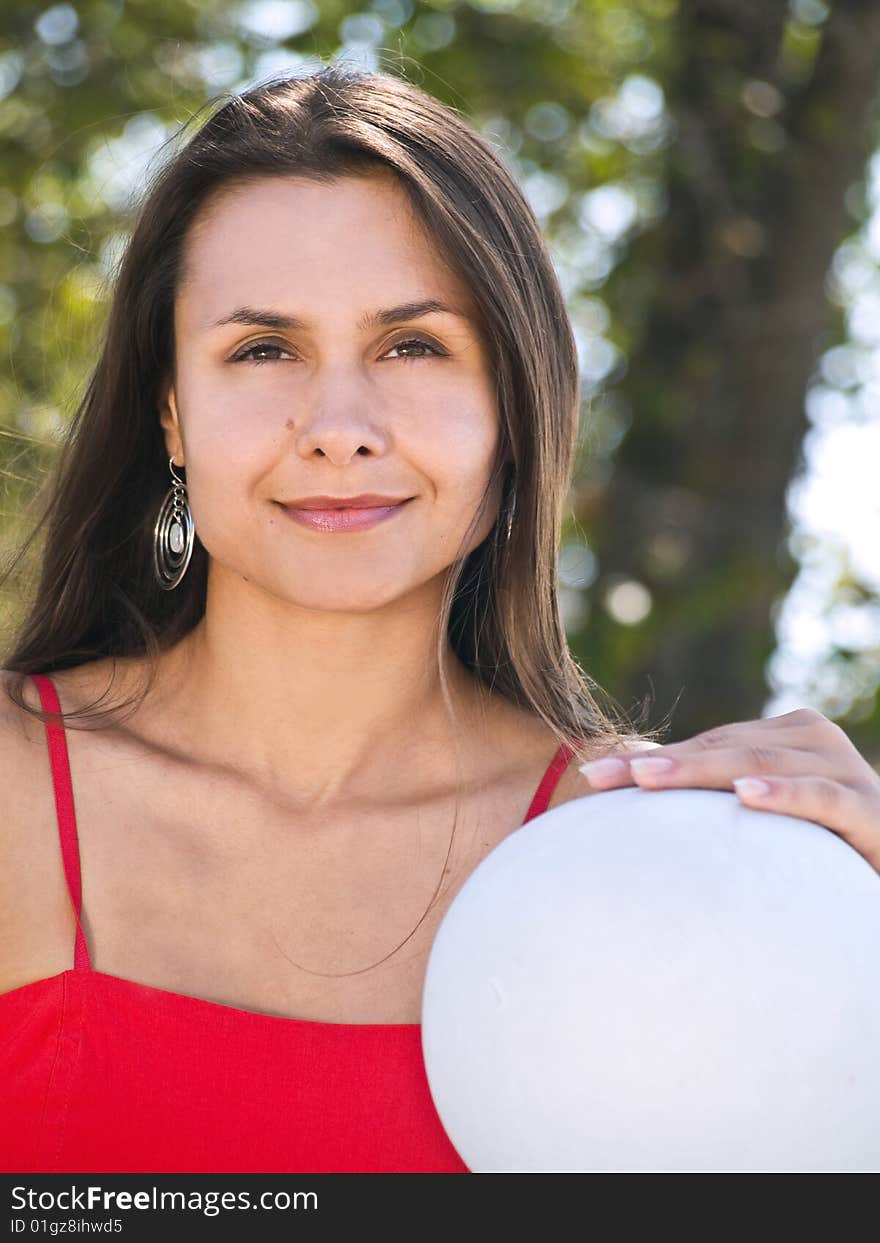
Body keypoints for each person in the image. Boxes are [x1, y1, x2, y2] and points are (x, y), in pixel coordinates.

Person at [1, 65, 877, 1176]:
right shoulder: (15, 790)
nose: (338, 426)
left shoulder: (658, 861)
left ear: (512, 404)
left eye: (412, 346)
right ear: (171, 412)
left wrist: (849, 940)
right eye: (262, 348)